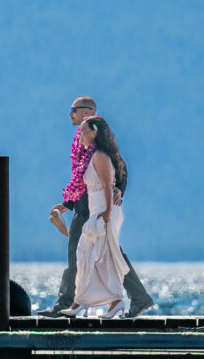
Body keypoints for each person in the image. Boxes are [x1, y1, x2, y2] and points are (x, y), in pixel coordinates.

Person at [38, 97, 155, 318]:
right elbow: (82, 180)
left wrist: (119, 189)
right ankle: (134, 298)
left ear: (87, 112)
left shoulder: (98, 139)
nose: (70, 113)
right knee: (107, 255)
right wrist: (67, 204)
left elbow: (118, 166)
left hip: (95, 210)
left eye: (73, 109)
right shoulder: (82, 140)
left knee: (81, 254)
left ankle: (68, 303)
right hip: (85, 206)